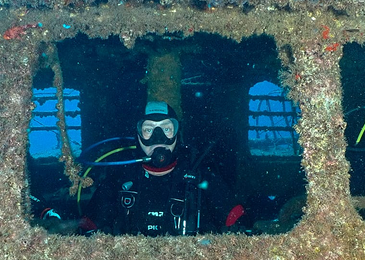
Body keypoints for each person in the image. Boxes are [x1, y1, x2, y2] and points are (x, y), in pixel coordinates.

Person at [79, 101, 246, 236]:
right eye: (148, 130)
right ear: (138, 135)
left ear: (177, 134)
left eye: (167, 129)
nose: (158, 138)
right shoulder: (119, 179)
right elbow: (87, 227)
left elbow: (238, 222)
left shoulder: (199, 176)